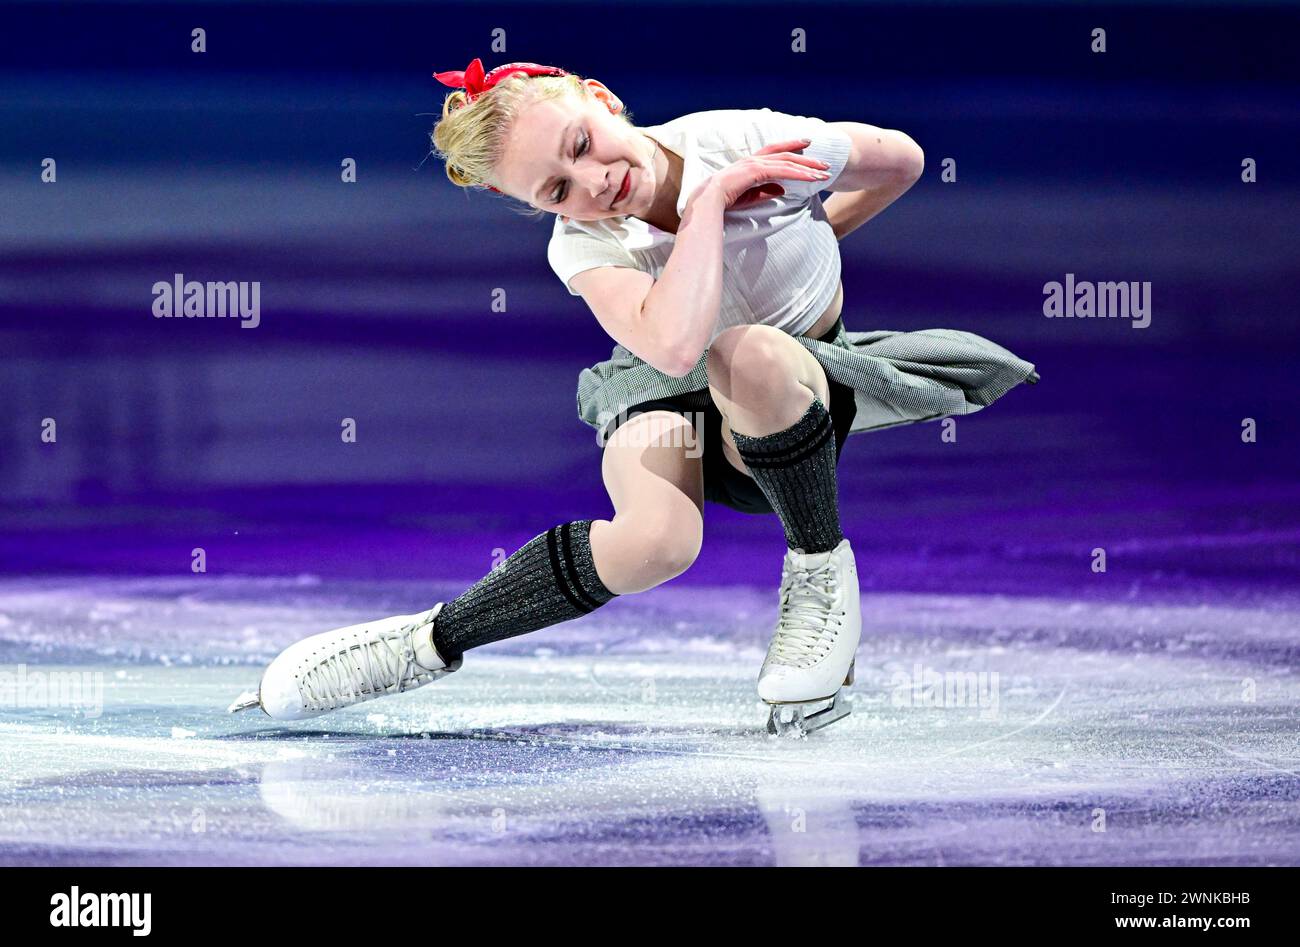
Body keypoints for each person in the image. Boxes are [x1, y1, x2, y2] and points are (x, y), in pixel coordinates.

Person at [230, 58, 1039, 736]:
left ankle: (821, 575)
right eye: (555, 189)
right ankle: (426, 641)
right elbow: (672, 346)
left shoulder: (745, 138)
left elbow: (899, 161)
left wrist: (818, 225)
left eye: (582, 144)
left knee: (750, 350)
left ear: (604, 100)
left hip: (776, 397)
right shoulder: (584, 245)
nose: (592, 183)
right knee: (657, 540)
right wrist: (714, 206)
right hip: (666, 396)